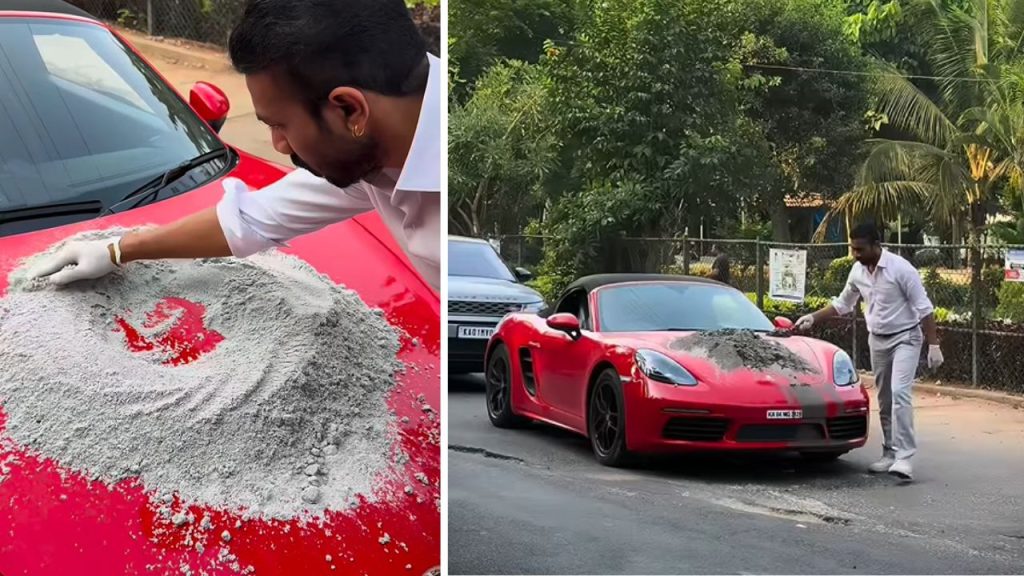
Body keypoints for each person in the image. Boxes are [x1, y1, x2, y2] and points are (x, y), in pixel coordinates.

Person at [29, 0, 441, 292]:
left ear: (350, 110)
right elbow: (254, 218)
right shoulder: (370, 153)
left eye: (280, 125)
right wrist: (115, 250)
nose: (279, 146)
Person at [794, 223, 943, 481]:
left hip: (906, 337)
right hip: (878, 339)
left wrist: (934, 345)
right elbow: (843, 304)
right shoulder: (857, 271)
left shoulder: (901, 269)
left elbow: (924, 308)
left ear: (876, 245)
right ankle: (889, 452)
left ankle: (905, 457)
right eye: (853, 248)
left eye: (860, 249)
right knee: (884, 398)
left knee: (900, 393)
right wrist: (813, 318)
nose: (855, 254)